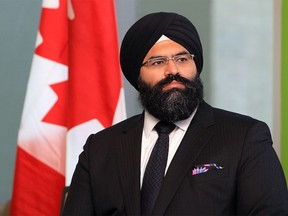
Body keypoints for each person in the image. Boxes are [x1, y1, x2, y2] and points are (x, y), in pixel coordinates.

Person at [63, 12, 288, 215]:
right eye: (158, 62)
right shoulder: (100, 149)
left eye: (182, 59)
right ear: (137, 76)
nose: (173, 71)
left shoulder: (244, 137)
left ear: (195, 65)